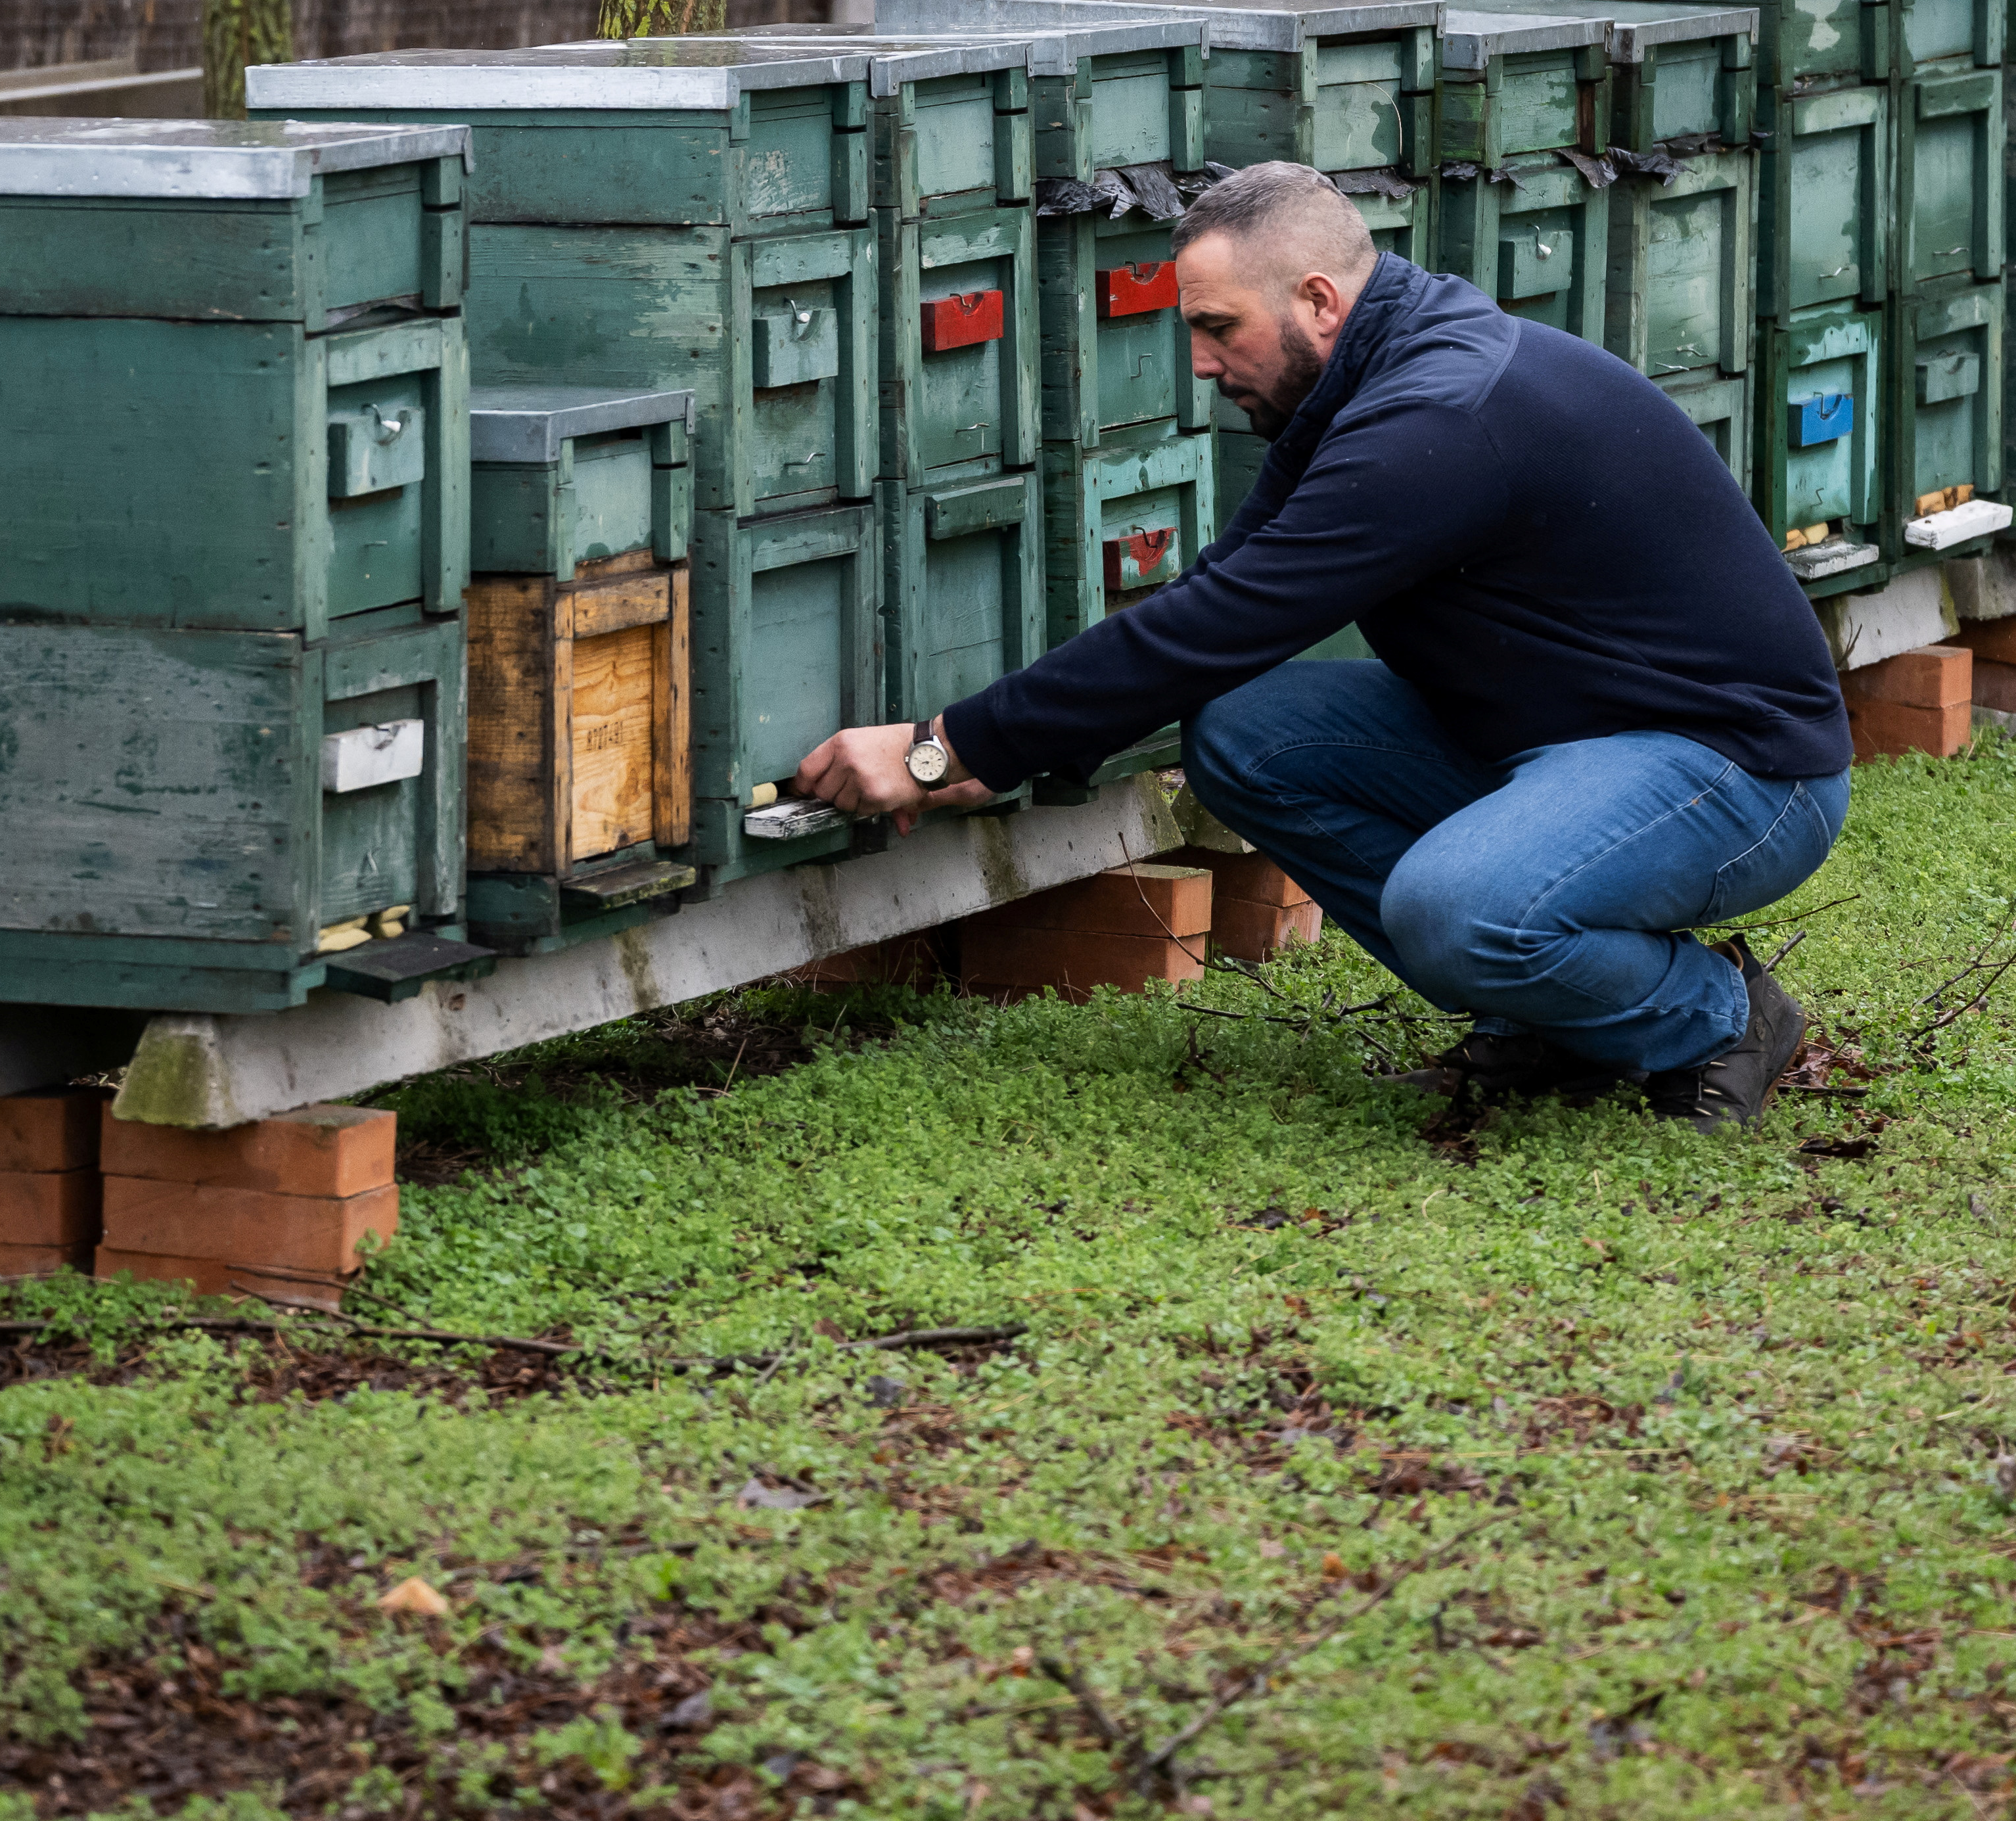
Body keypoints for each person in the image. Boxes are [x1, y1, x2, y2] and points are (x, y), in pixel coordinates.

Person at [785, 160, 1850, 1124]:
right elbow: (1224, 599)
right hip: (1553, 739)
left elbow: (1229, 616)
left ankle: (1715, 1017)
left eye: (1215, 328)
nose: (1201, 363)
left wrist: (940, 748)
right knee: (1252, 732)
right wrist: (1006, 752)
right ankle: (1560, 1020)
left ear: (1317, 301)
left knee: (1457, 907)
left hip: (1732, 773)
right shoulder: (1374, 378)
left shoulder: (1435, 420)